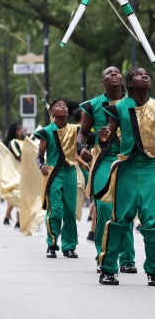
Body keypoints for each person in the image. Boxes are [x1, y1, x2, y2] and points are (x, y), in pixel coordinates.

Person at [98, 67, 155, 286]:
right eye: (139, 74)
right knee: (120, 220)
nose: (145, 76)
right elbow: (106, 138)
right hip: (127, 168)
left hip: (152, 169)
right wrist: (103, 138)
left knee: (152, 223)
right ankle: (109, 269)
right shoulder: (119, 107)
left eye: (147, 74)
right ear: (130, 84)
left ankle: (153, 270)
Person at [78, 66, 136, 274]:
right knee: (103, 206)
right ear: (103, 82)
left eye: (117, 72)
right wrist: (81, 148)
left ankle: (128, 258)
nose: (113, 74)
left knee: (125, 209)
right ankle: (103, 255)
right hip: (104, 160)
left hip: (129, 161)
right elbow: (82, 133)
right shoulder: (93, 105)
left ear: (123, 80)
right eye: (108, 73)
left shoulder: (135, 103)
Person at [35, 98, 79, 259]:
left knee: (70, 211)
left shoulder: (75, 129)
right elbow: (39, 155)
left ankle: (69, 246)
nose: (63, 107)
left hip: (70, 174)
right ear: (52, 112)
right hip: (53, 174)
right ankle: (51, 244)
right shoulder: (46, 131)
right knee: (55, 212)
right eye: (59, 106)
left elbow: (81, 145)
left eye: (65, 106)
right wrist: (41, 165)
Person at [4, 122, 25, 229]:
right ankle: (14, 219)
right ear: (17, 132)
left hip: (25, 172)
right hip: (16, 173)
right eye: (21, 129)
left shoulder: (25, 141)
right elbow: (19, 157)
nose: (24, 130)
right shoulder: (13, 142)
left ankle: (18, 221)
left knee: (21, 198)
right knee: (17, 197)